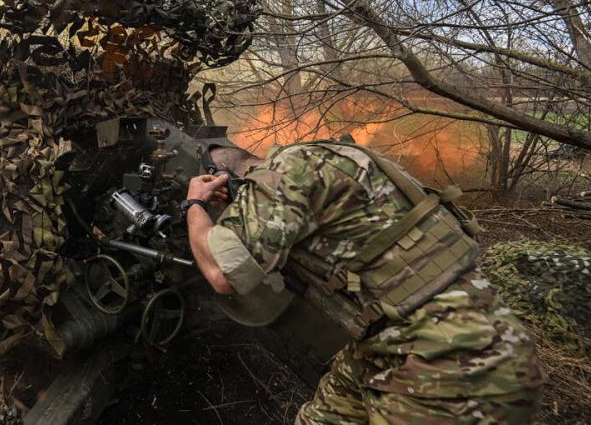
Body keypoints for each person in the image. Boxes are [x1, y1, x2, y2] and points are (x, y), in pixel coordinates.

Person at [181, 140, 544, 424]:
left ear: (223, 175)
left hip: (450, 363)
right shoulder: (332, 158)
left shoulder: (281, 175)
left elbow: (221, 273)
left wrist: (195, 204)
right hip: (399, 339)